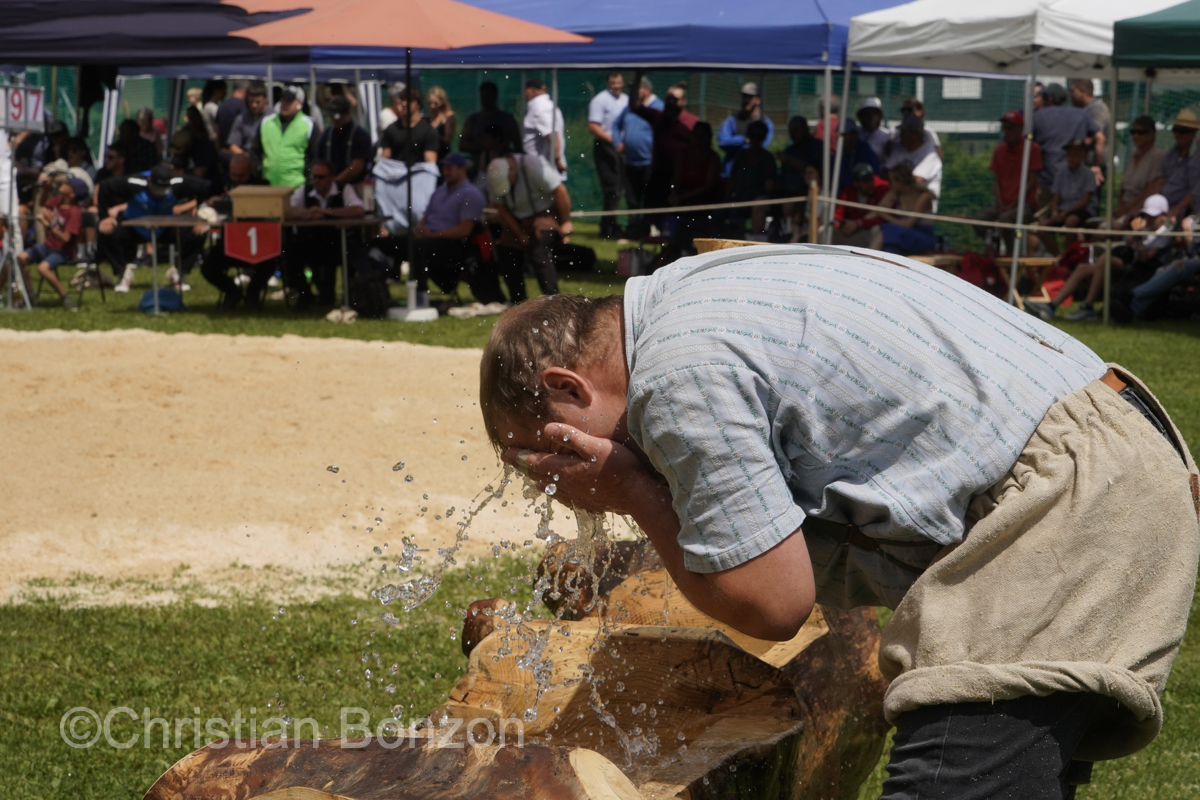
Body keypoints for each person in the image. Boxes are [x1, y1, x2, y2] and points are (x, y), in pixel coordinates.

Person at [482, 247, 1198, 800]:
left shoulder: (674, 374)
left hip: (1068, 497)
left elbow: (773, 601)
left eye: (551, 459)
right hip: (1104, 459)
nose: (571, 495)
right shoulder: (689, 296)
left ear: (567, 388)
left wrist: (634, 487)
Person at [1027, 194, 1176, 323]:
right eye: (1147, 214)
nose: (1149, 218)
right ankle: (1051, 306)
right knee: (1083, 267)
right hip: (1129, 265)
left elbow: (1145, 258)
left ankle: (1088, 306)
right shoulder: (1145, 228)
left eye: (1153, 215)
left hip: (1143, 272)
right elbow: (1131, 245)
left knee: (1104, 259)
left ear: (1164, 215)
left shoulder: (1166, 233)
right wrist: (1133, 235)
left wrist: (1135, 236)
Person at [412, 152, 505, 310]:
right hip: (428, 238)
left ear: (462, 169)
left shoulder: (471, 194)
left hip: (452, 245)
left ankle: (418, 296)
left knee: (417, 248)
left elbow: (464, 230)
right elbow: (426, 217)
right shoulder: (439, 192)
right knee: (394, 243)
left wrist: (432, 235)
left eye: (450, 168)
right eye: (444, 168)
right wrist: (419, 229)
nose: (445, 172)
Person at [95, 164, 210, 291]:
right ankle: (123, 273)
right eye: (156, 188)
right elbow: (105, 186)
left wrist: (198, 215)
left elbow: (205, 187)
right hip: (134, 226)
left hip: (166, 226)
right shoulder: (134, 182)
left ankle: (178, 272)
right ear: (149, 181)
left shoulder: (178, 182)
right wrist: (104, 217)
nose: (159, 193)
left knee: (199, 232)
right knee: (106, 231)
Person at [486, 147, 572, 302]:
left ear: (512, 169)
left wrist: (565, 221)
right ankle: (518, 302)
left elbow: (560, 192)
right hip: (516, 216)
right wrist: (519, 234)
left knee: (539, 252)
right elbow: (501, 207)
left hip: (542, 213)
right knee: (506, 252)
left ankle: (553, 301)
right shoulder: (495, 174)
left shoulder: (534, 166)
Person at [284, 159, 364, 309]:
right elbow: (285, 210)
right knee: (289, 253)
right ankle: (305, 294)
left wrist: (325, 212)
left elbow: (358, 210)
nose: (316, 181)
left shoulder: (344, 189)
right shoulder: (305, 191)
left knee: (350, 253)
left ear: (332, 177)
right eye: (314, 176)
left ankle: (339, 296)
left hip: (339, 243)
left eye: (321, 177)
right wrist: (305, 213)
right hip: (310, 242)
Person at [198, 153, 275, 309]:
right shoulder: (222, 185)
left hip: (258, 244)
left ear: (251, 171)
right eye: (234, 175)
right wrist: (211, 204)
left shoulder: (263, 186)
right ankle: (232, 291)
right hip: (229, 244)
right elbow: (205, 205)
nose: (237, 179)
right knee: (208, 267)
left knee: (271, 260)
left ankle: (253, 293)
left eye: (242, 175)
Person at [973, 110, 1042, 251]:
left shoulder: (1032, 149)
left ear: (1019, 129)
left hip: (1025, 204)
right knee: (979, 220)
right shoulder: (1000, 150)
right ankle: (991, 246)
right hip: (1003, 204)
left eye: (1010, 128)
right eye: (1005, 128)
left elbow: (1032, 181)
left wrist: (1014, 203)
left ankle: (1010, 257)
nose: (1007, 132)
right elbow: (996, 180)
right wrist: (1000, 202)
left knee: (1005, 220)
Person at [18, 176, 87, 311]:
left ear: (72, 194)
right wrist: (46, 188)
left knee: (42, 268)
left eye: (68, 184)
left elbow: (66, 239)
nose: (64, 183)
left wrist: (49, 225)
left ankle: (65, 297)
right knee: (21, 258)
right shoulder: (58, 201)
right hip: (48, 246)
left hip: (63, 250)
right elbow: (44, 204)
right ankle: (31, 296)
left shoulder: (74, 212)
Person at [631, 79, 699, 216]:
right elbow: (634, 106)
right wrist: (638, 76)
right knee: (652, 209)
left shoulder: (693, 123)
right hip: (658, 173)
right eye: (668, 98)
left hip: (681, 176)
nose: (670, 102)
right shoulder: (659, 117)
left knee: (677, 213)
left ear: (683, 102)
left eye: (675, 99)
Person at [1033, 83, 1099, 213]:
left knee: (1040, 225)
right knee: (1072, 225)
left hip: (1047, 181)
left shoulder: (1037, 117)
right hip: (1076, 184)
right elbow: (1100, 138)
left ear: (1050, 98)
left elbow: (1028, 145)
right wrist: (1095, 165)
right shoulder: (1082, 115)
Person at [612, 77, 662, 234]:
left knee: (650, 199)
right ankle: (633, 231)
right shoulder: (629, 107)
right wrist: (617, 142)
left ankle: (650, 230)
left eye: (635, 88)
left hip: (649, 162)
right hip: (630, 162)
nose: (631, 92)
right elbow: (615, 124)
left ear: (646, 90)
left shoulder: (658, 107)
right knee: (632, 199)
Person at [588, 72, 630, 239]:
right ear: (607, 83)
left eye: (619, 82)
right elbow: (593, 126)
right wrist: (613, 141)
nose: (616, 85)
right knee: (612, 189)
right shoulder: (600, 100)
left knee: (619, 189)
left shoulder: (626, 100)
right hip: (605, 147)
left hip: (622, 148)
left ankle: (612, 226)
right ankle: (608, 228)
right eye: (613, 82)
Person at [670, 121, 724, 244]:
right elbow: (676, 180)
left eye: (702, 135)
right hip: (685, 196)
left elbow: (707, 186)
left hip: (707, 198)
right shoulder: (682, 155)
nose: (698, 139)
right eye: (696, 135)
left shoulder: (712, 157)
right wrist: (673, 194)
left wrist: (681, 197)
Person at [253, 86, 317, 188]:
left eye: (289, 101)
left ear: (299, 104)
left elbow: (315, 156)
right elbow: (254, 150)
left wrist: (308, 178)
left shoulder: (309, 124)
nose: (284, 104)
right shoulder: (266, 122)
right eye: (283, 100)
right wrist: (258, 169)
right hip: (269, 186)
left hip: (297, 188)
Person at [1042, 138, 1096, 256]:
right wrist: (1055, 213)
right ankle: (1057, 256)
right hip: (1063, 210)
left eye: (1076, 154)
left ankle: (1069, 255)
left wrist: (1065, 213)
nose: (1072, 157)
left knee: (1071, 221)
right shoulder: (1061, 173)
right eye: (1069, 154)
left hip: (1082, 210)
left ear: (1083, 156)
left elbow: (1085, 202)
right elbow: (1055, 198)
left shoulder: (1088, 174)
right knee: (1042, 225)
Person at [459, 81, 522, 182]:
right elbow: (462, 145)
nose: (485, 99)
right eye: (483, 96)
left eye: (488, 96)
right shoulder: (472, 119)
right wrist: (483, 147)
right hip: (477, 171)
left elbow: (518, 147)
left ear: (495, 96)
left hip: (504, 171)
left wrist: (500, 151)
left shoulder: (507, 120)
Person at [873, 162, 936, 255]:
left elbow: (908, 224)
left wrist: (885, 216)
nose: (888, 184)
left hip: (923, 235)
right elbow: (877, 210)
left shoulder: (923, 197)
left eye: (891, 181)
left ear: (900, 182)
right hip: (904, 234)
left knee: (889, 229)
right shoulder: (895, 194)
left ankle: (870, 259)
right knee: (890, 243)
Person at [726, 120, 777, 236]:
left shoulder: (768, 159)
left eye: (759, 136)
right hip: (739, 198)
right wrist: (727, 197)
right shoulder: (740, 156)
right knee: (725, 210)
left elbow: (769, 187)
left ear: (764, 137)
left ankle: (755, 240)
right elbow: (732, 181)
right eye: (753, 135)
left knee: (758, 205)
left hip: (759, 200)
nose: (755, 139)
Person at [1113, 116, 1164, 228]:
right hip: (1124, 208)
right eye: (1133, 132)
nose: (1135, 136)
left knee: (1111, 228)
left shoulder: (1156, 156)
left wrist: (1128, 209)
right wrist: (1121, 206)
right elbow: (1123, 188)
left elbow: (1150, 189)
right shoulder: (1132, 155)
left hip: (1141, 210)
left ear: (1151, 135)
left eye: (1140, 132)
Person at [717, 82, 775, 177]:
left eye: (749, 97)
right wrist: (743, 140)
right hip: (731, 174)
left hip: (755, 176)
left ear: (758, 100)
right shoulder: (731, 120)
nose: (746, 100)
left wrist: (739, 144)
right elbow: (722, 141)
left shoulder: (766, 123)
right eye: (744, 96)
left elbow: (762, 147)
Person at [884, 115, 942, 208]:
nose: (900, 134)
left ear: (914, 133)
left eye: (903, 131)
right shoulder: (900, 148)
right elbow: (885, 173)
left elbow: (912, 182)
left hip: (920, 210)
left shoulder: (930, 155)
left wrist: (895, 179)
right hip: (899, 204)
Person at [316, 94, 372, 190]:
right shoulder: (326, 135)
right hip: (329, 187)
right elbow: (319, 161)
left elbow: (356, 167)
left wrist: (336, 182)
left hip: (354, 185)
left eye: (338, 117)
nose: (335, 120)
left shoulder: (359, 135)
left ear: (348, 113)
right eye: (332, 117)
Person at [833, 162, 889, 247]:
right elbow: (837, 215)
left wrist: (859, 223)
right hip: (850, 231)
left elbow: (884, 218)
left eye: (871, 179)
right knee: (827, 229)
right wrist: (839, 224)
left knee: (877, 229)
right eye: (865, 181)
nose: (870, 183)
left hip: (869, 230)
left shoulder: (882, 188)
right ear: (856, 183)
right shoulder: (848, 192)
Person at [379, 87, 439, 165]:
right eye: (402, 100)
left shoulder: (428, 132)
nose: (404, 104)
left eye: (409, 100)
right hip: (395, 174)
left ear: (419, 105)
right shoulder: (391, 129)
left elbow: (430, 163)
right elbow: (385, 158)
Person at [1160, 107, 1199, 223]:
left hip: (1183, 212)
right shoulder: (1171, 153)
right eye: (1175, 129)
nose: (1178, 134)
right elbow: (1160, 181)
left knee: (1166, 229)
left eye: (1183, 130)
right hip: (1163, 208)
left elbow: (1194, 191)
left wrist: (1175, 211)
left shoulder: (1197, 155)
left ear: (1194, 131)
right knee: (1138, 226)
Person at [523, 77, 566, 175]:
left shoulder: (540, 108)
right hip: (541, 168)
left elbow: (552, 135)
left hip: (542, 170)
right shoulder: (547, 105)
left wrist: (557, 159)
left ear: (531, 90)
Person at [1070, 78, 1109, 182]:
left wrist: (1095, 165)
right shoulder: (1083, 109)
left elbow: (1095, 137)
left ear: (1083, 92)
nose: (1070, 95)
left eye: (1073, 91)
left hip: (1092, 167)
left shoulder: (1097, 109)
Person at [170, 106, 219, 180]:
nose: (191, 120)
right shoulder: (185, 131)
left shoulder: (202, 143)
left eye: (193, 117)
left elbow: (201, 171)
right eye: (189, 116)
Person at [226, 81, 269, 165]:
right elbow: (233, 145)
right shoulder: (241, 119)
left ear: (266, 99)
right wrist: (247, 158)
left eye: (258, 102)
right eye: (251, 101)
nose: (254, 105)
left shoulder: (273, 118)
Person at [834, 119, 880, 192]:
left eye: (846, 136)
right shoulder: (839, 153)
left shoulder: (866, 153)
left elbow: (873, 178)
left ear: (855, 134)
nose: (842, 139)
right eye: (839, 135)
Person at [215, 80, 248, 152]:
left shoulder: (222, 106)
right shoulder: (244, 107)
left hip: (223, 153)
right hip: (239, 154)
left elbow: (217, 132)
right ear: (245, 90)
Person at [426, 86, 457, 161]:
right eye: (430, 103)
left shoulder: (448, 116)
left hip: (443, 157)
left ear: (442, 102)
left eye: (435, 103)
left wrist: (432, 133)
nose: (432, 106)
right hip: (430, 157)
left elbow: (447, 140)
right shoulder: (427, 119)